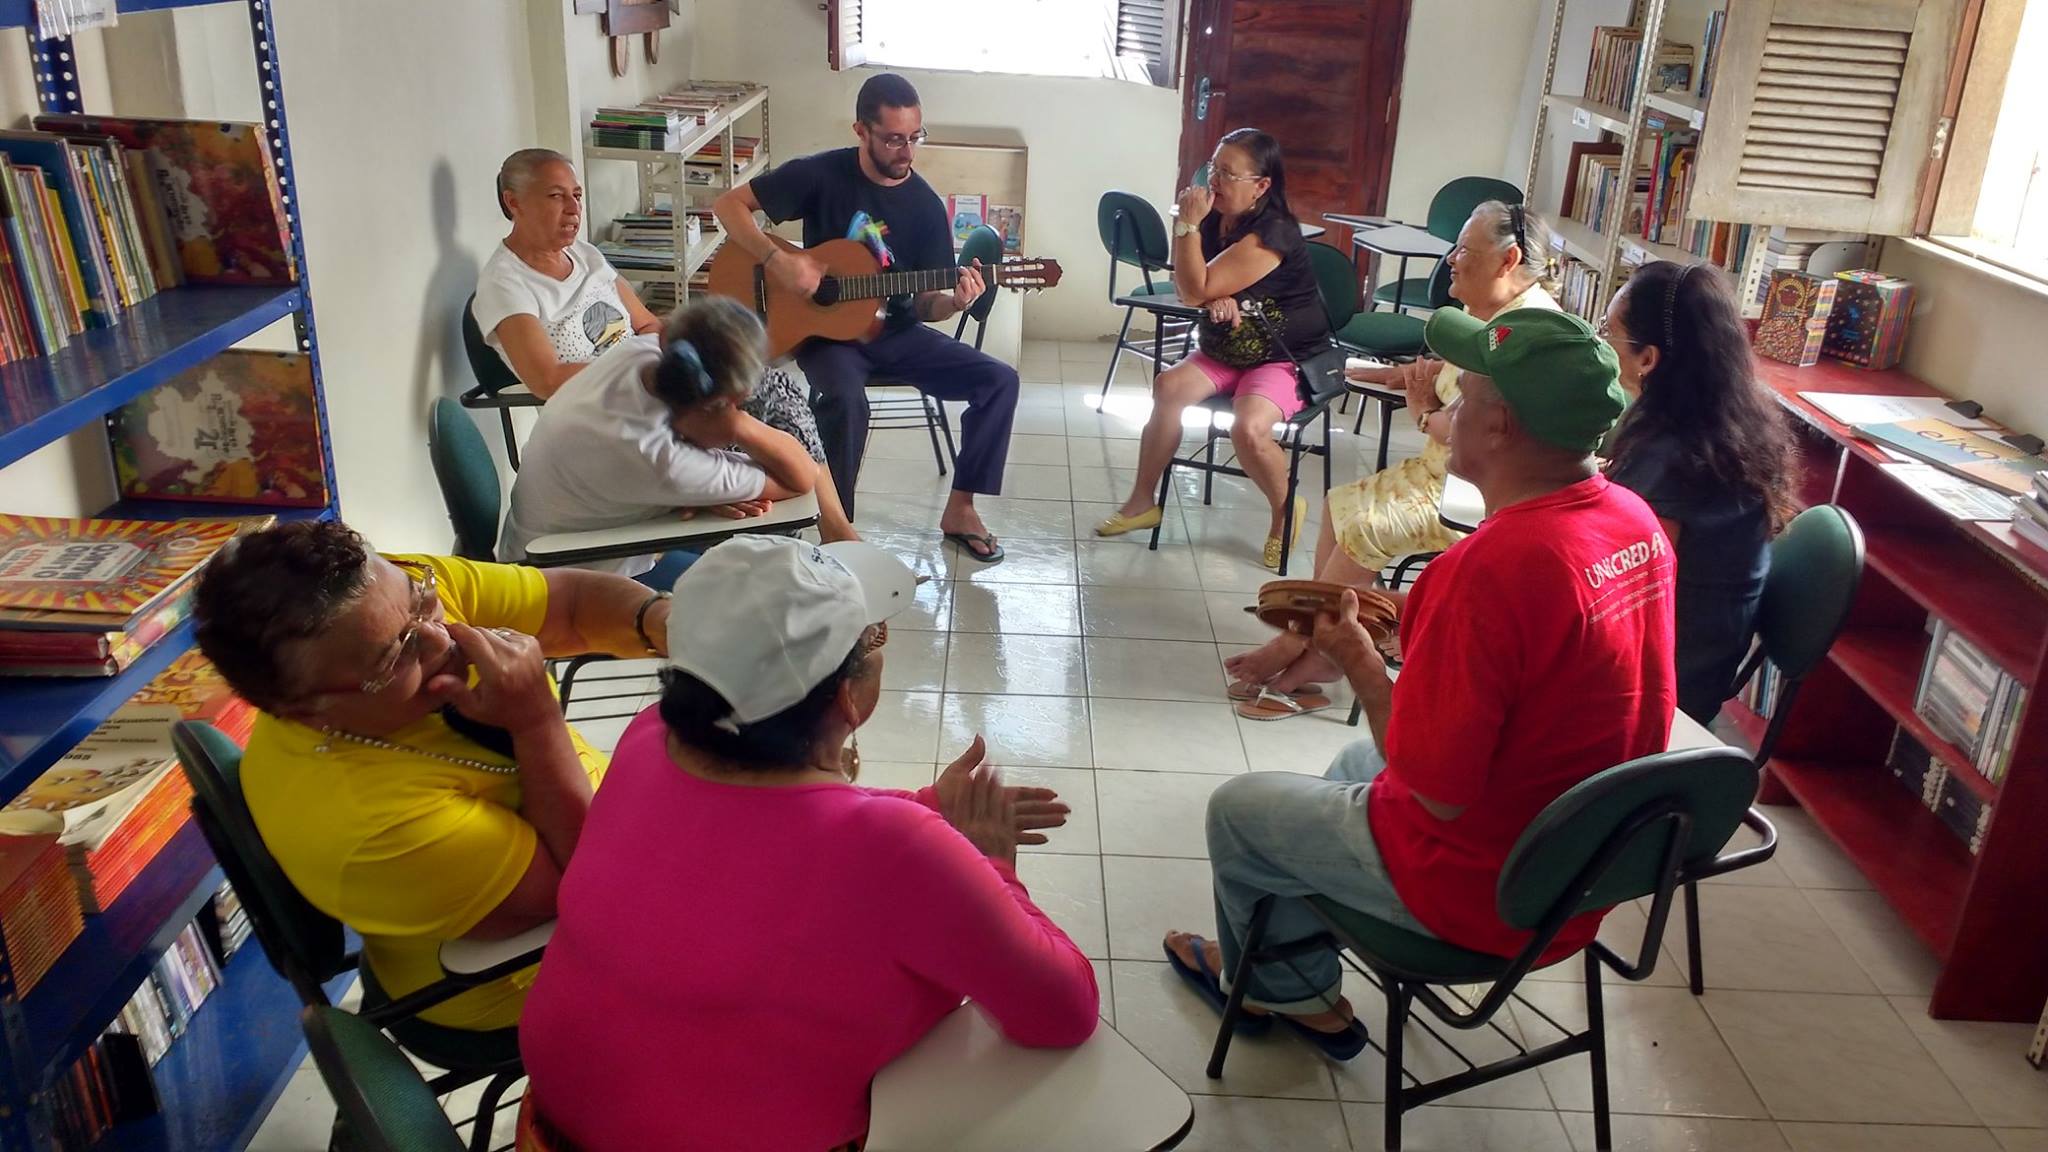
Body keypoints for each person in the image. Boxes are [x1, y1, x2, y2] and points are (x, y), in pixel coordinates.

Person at [1160, 307, 1675, 1060]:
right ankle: (1293, 966)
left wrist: (1362, 663)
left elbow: (1438, 792)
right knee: (1350, 764)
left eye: (1464, 397)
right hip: (1586, 863)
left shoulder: (1485, 569)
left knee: (1238, 811)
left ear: (1499, 425)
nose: (1448, 412)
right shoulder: (1634, 519)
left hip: (1495, 890)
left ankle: (1283, 992)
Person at [517, 536, 1097, 1151]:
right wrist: (991, 860)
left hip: (547, 1126)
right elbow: (1062, 1011)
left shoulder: (648, 736)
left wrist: (929, 807)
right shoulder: (899, 851)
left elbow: (773, 829)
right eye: (874, 638)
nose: (883, 644)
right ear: (849, 697)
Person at [192, 520, 674, 1032]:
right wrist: (536, 721)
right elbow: (586, 885)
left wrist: (661, 620)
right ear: (307, 711)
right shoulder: (370, 824)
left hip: (607, 828)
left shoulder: (386, 601)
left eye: (424, 602)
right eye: (396, 657)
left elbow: (569, 604)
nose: (441, 641)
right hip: (529, 975)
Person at [1222, 201, 1562, 715]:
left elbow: (1469, 432)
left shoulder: (1524, 331)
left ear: (1507, 260)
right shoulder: (1492, 314)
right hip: (1445, 473)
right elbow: (1450, 378)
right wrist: (1386, 375)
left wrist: (1422, 410)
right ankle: (1325, 656)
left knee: (1367, 527)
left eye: (1464, 250)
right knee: (1341, 504)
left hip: (1477, 495)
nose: (1450, 260)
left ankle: (1295, 644)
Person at [712, 73, 1021, 563]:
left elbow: (926, 304)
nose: (907, 151)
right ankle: (837, 528)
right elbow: (728, 206)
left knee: (1000, 380)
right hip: (826, 337)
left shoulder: (924, 205)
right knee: (844, 399)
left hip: (895, 333)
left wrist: (955, 303)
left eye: (915, 137)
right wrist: (778, 261)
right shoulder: (821, 174)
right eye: (894, 139)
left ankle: (962, 509)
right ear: (862, 130)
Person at [1094, 128, 1335, 570]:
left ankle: (1285, 509)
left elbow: (1192, 288)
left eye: (1228, 173)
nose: (1214, 181)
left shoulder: (1273, 232)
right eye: (1213, 168)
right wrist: (1210, 292)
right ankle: (1142, 501)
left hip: (1282, 353)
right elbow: (1191, 286)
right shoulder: (1213, 217)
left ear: (1261, 185)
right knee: (1168, 387)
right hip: (1229, 346)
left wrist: (1189, 238)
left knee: (1248, 428)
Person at [498, 296, 859, 584]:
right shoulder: (662, 461)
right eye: (738, 405)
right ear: (727, 402)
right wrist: (740, 426)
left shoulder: (638, 353)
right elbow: (801, 477)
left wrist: (700, 492)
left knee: (777, 391)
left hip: (548, 537)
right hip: (565, 578)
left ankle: (833, 533)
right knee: (773, 597)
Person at [1601, 260, 1798, 723]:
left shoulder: (1673, 457)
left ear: (1648, 359)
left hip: (1665, 686)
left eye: (1610, 334)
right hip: (1699, 659)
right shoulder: (1728, 425)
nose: (1602, 343)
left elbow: (1629, 590)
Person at [472, 148, 662, 399]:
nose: (574, 208)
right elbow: (547, 380)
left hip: (643, 391)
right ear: (514, 202)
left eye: (577, 195)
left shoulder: (584, 253)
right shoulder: (503, 285)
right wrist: (641, 372)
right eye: (556, 196)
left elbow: (648, 324)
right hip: (594, 408)